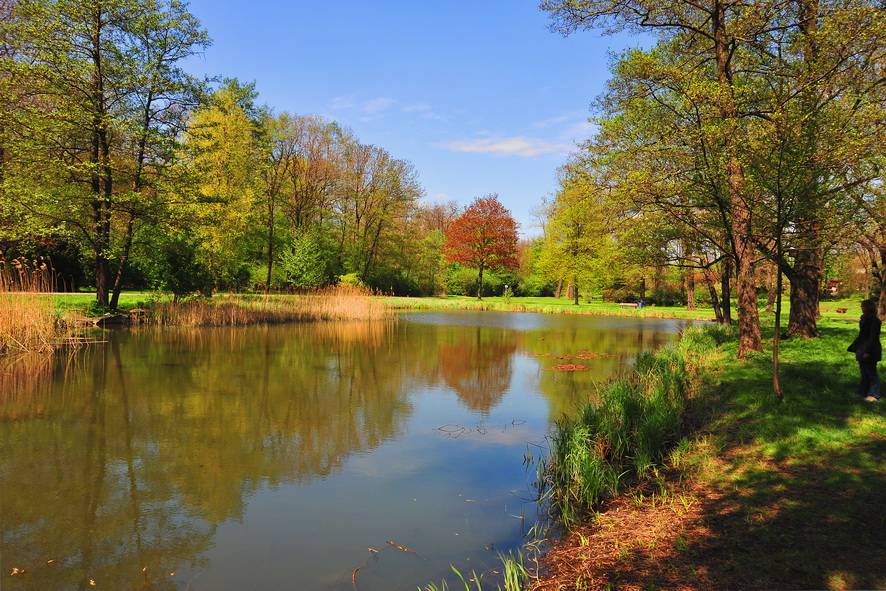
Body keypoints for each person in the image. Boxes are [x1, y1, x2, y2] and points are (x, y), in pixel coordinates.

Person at [848, 299, 881, 402]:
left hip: (870, 349)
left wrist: (868, 351)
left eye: (863, 306)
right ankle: (862, 392)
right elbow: (862, 335)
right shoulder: (864, 319)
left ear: (869, 307)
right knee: (864, 372)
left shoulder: (874, 320)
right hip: (862, 348)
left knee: (871, 372)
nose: (861, 308)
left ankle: (874, 394)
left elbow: (872, 337)